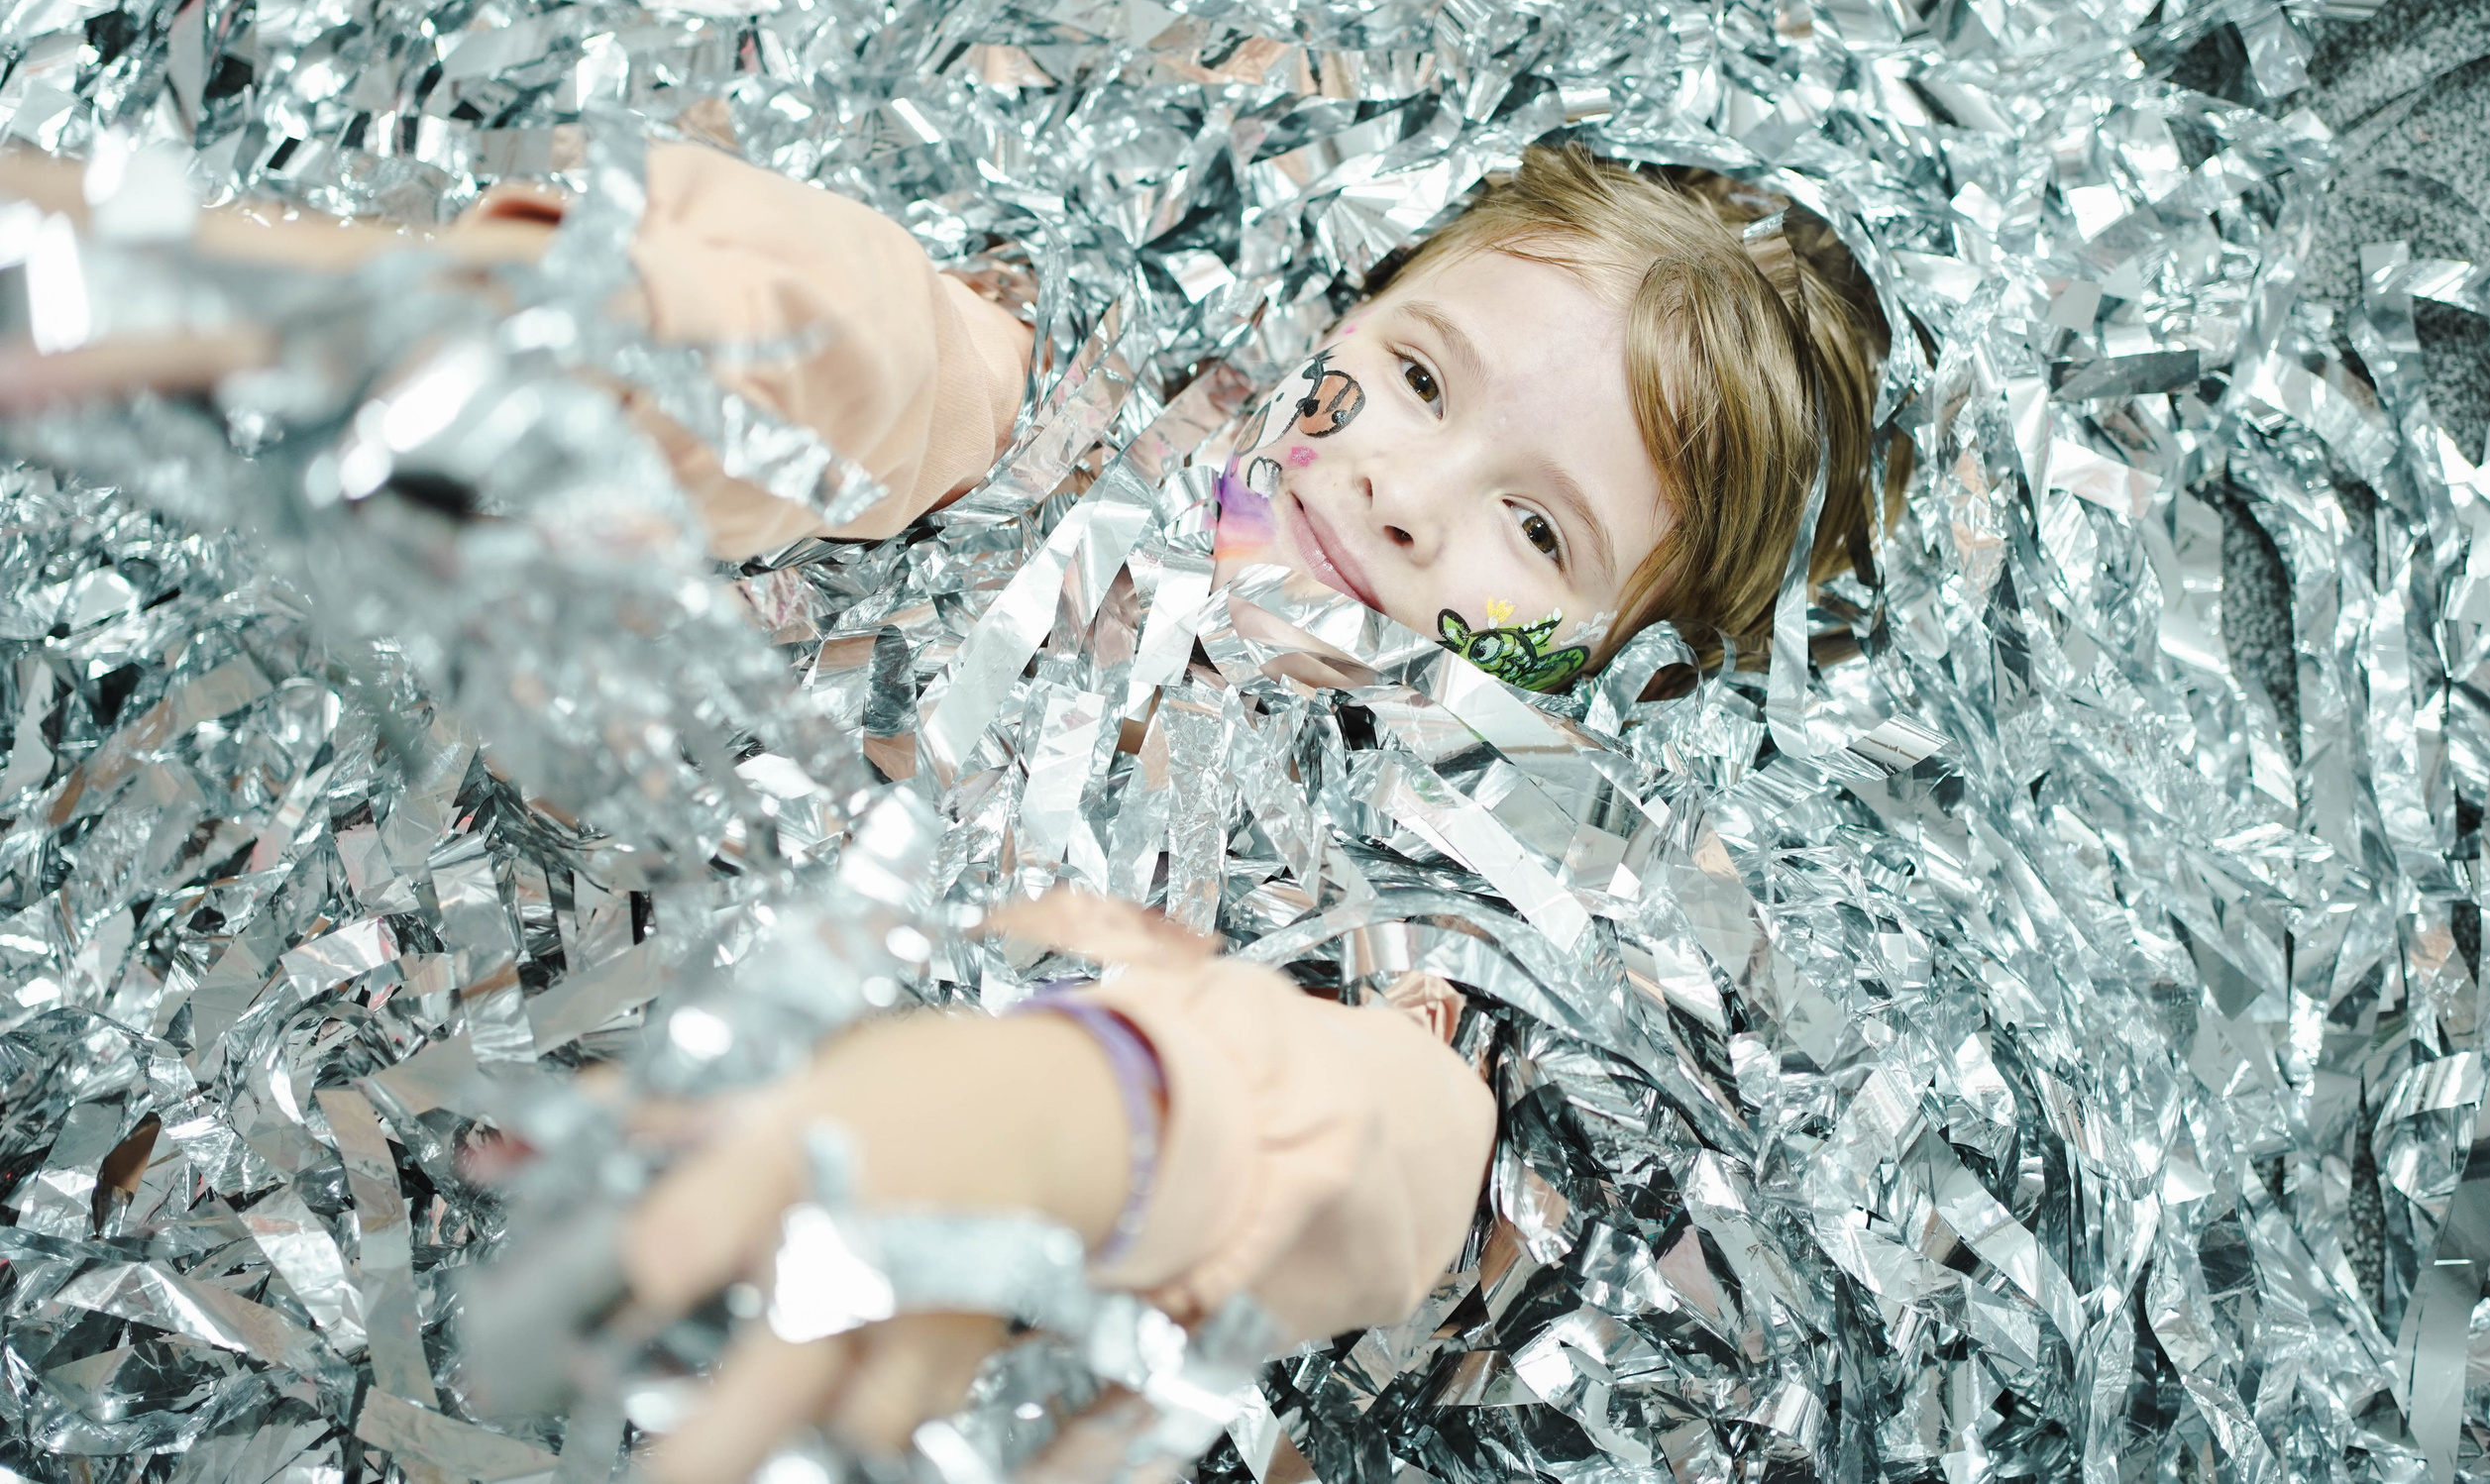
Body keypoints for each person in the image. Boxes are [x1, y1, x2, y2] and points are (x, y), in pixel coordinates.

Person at [0, 136, 1887, 1482]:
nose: (1401, 490)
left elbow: (1394, 1143)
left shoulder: (1460, 894)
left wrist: (1093, 1116)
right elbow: (891, 350)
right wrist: (578, 312)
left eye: (1538, 529)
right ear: (1350, 300)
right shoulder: (1084, 424)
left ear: (1626, 674)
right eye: (1412, 374)